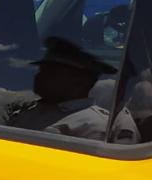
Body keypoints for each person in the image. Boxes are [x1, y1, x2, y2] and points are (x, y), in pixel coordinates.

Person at [8, 36, 138, 142]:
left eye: (50, 73)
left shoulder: (91, 125)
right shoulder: (31, 109)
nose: (38, 77)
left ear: (79, 82)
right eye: (41, 71)